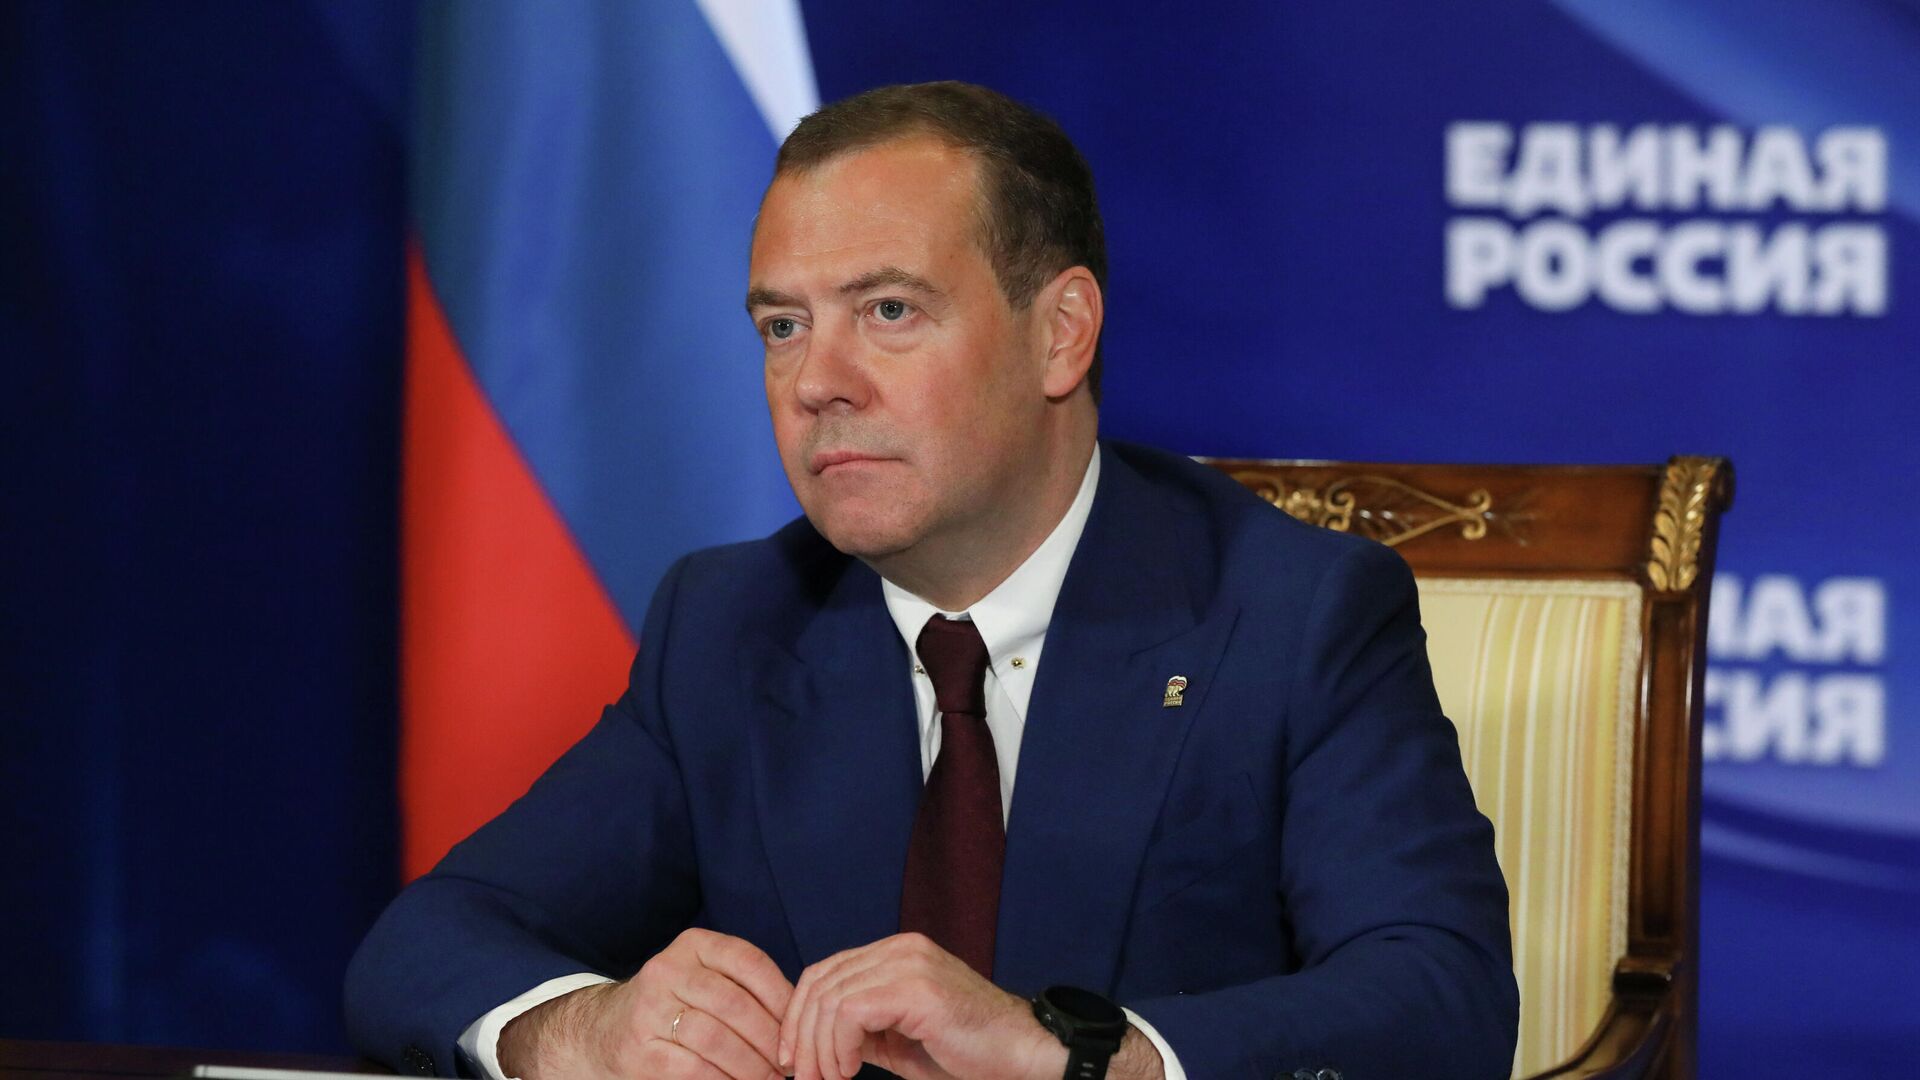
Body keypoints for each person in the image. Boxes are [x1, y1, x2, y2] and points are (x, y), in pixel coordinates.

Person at [345, 81, 1518, 1080]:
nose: (817, 381)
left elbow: (1442, 995)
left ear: (1061, 333)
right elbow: (428, 942)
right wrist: (583, 1030)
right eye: (782, 326)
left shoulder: (1289, 615)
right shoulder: (734, 624)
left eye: (888, 310)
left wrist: (1076, 1056)